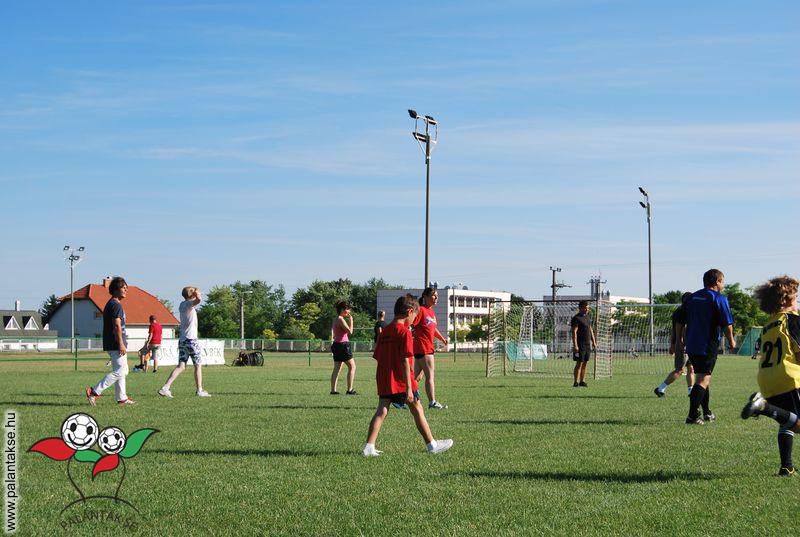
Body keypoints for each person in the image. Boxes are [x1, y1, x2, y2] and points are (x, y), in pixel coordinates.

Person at [362, 294, 454, 457]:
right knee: (417, 408)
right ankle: (432, 445)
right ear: (410, 312)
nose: (414, 321)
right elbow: (405, 361)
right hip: (402, 381)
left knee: (382, 410)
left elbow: (378, 356)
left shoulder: (385, 331)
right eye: (415, 317)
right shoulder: (404, 332)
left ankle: (369, 446)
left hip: (385, 378)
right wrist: (409, 388)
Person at [741, 275, 800, 476]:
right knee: (797, 424)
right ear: (785, 300)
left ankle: (786, 466)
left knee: (788, 420)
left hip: (767, 380)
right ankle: (764, 408)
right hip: (789, 378)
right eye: (795, 297)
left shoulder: (769, 324)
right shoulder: (793, 319)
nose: (797, 302)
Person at [684, 269, 736, 424]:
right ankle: (692, 416)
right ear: (717, 281)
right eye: (723, 281)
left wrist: (678, 340)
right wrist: (731, 340)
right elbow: (727, 324)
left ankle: (707, 412)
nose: (723, 285)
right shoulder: (718, 298)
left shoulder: (692, 297)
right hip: (707, 344)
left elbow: (681, 319)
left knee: (703, 377)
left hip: (691, 343)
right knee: (703, 379)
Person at [86, 276, 136, 406]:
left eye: (126, 288)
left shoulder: (112, 304)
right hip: (115, 343)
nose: (126, 290)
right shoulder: (115, 305)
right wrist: (121, 343)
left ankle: (122, 398)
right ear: (115, 290)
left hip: (113, 342)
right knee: (121, 371)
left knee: (121, 370)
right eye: (123, 288)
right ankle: (94, 391)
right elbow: (117, 326)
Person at [158, 287, 210, 398]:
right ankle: (199, 390)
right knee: (198, 365)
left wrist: (194, 293)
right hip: (191, 340)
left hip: (182, 340)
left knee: (181, 366)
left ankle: (165, 387)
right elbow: (199, 300)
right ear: (192, 295)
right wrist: (197, 293)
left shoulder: (182, 305)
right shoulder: (189, 304)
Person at [413, 287, 449, 409]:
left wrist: (442, 339)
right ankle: (432, 402)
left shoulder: (431, 312)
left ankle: (401, 396)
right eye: (434, 295)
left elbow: (433, 329)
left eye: (437, 296)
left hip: (425, 348)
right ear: (425, 297)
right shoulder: (421, 310)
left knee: (416, 377)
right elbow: (412, 324)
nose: (436, 298)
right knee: (430, 376)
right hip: (423, 347)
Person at [654, 292, 695, 397]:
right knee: (679, 370)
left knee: (691, 368)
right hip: (683, 345)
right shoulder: (681, 312)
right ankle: (660, 388)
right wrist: (678, 343)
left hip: (690, 344)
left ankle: (691, 391)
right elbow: (678, 330)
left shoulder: (689, 310)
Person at [330, 300, 356, 395]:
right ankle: (350, 390)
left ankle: (333, 390)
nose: (349, 311)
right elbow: (350, 331)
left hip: (336, 345)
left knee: (336, 369)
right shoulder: (341, 319)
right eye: (348, 309)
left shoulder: (335, 319)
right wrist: (351, 320)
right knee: (352, 367)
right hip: (343, 345)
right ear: (342, 309)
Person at [570, 300, 597, 387]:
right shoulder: (576, 318)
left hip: (587, 344)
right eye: (586, 308)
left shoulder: (587, 317)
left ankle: (582, 381)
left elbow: (590, 330)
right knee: (579, 363)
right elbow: (574, 332)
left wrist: (594, 342)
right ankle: (576, 382)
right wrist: (575, 345)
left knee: (585, 362)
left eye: (588, 308)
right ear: (581, 308)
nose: (587, 309)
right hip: (580, 344)